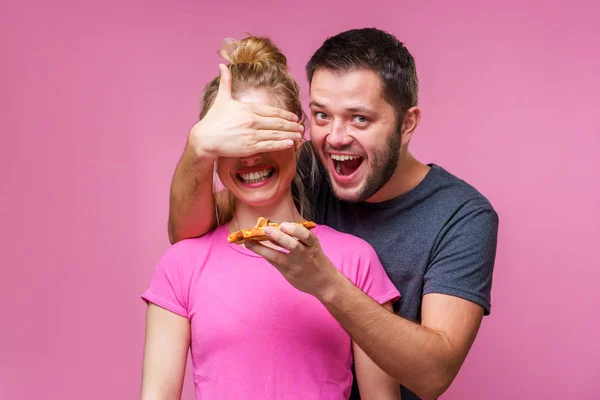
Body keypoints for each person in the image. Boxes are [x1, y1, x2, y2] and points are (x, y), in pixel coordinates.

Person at [167, 28, 499, 400]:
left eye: (359, 119)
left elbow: (433, 375)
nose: (336, 138)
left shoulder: (461, 215)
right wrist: (198, 147)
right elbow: (192, 234)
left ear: (407, 124)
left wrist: (327, 284)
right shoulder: (306, 164)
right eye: (322, 115)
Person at [141, 35, 402, 400]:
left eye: (264, 137)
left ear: (298, 135)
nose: (250, 156)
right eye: (235, 141)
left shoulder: (354, 261)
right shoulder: (181, 266)